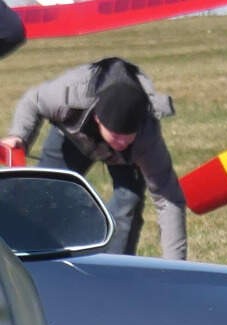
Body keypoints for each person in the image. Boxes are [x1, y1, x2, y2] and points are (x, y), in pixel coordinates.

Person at [3, 58, 186, 260]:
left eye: (128, 135)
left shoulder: (146, 136)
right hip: (72, 137)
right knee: (45, 195)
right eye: (116, 135)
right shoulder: (68, 96)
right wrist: (19, 136)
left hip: (126, 159)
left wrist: (177, 266)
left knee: (128, 203)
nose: (122, 141)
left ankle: (114, 266)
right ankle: (41, 258)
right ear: (98, 119)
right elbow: (32, 100)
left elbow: (169, 200)